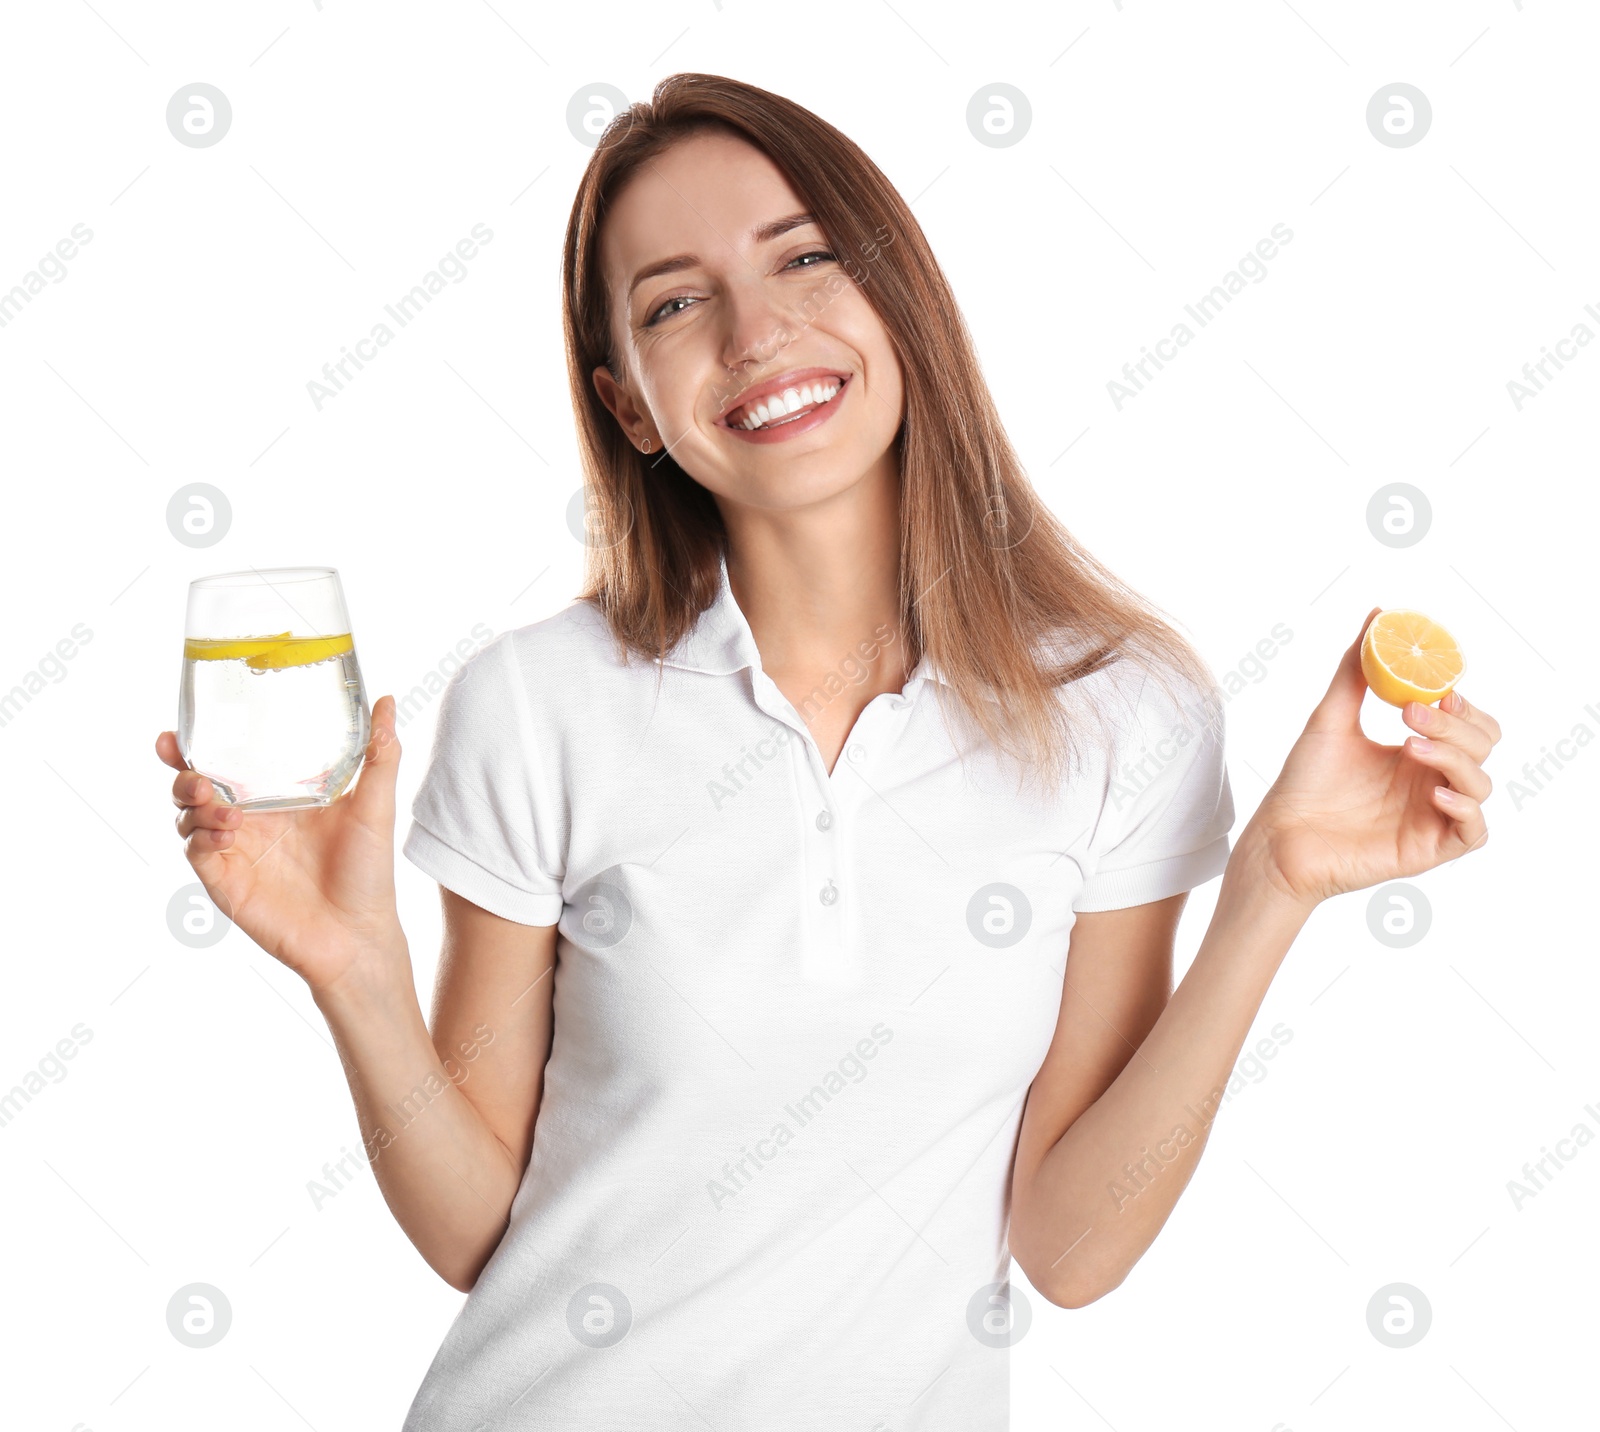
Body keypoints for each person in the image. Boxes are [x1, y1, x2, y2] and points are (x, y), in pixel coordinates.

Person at [155, 73, 1501, 1432]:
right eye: (677, 301)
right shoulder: (537, 704)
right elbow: (472, 1233)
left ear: (900, 300)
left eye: (805, 258)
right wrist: (358, 974)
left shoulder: (1124, 706)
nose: (756, 330)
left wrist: (1269, 887)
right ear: (630, 408)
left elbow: (1070, 1249)